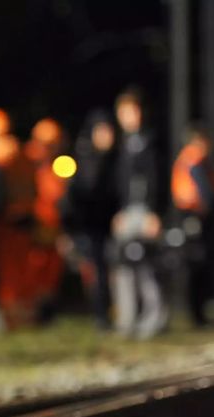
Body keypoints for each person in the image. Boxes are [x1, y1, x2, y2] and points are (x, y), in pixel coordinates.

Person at [0, 108, 40, 328]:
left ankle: (13, 319)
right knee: (24, 272)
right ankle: (27, 317)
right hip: (26, 220)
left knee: (8, 274)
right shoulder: (19, 151)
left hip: (6, 223)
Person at [109, 89, 166, 338]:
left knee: (146, 265)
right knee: (122, 264)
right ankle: (127, 319)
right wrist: (120, 211)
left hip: (145, 212)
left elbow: (157, 179)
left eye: (133, 110)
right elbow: (121, 183)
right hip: (127, 212)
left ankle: (154, 318)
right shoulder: (123, 146)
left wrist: (155, 211)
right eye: (124, 112)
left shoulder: (152, 142)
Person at [61, 110, 118, 330]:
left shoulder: (116, 157)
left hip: (110, 224)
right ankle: (101, 315)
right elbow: (75, 196)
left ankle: (113, 313)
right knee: (96, 272)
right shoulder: (84, 159)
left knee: (112, 270)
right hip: (91, 226)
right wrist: (71, 229)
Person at [172, 126, 214, 326]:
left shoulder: (187, 159)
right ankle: (198, 313)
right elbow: (207, 196)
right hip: (197, 217)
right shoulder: (195, 160)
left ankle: (198, 313)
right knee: (200, 265)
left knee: (198, 265)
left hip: (191, 217)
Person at [26, 118, 68, 319]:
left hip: (54, 228)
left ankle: (47, 311)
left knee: (52, 273)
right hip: (34, 227)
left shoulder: (60, 167)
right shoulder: (28, 165)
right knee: (34, 271)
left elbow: (63, 200)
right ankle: (34, 312)